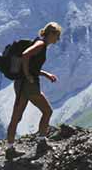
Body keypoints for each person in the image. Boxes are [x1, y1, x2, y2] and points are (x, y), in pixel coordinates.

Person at [5, 22, 61, 158]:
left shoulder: (38, 42)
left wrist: (45, 74)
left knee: (16, 117)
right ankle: (42, 142)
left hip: (20, 83)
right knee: (47, 111)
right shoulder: (41, 45)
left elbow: (32, 66)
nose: (58, 39)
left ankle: (10, 149)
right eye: (57, 36)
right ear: (51, 34)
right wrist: (28, 75)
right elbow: (25, 55)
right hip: (29, 85)